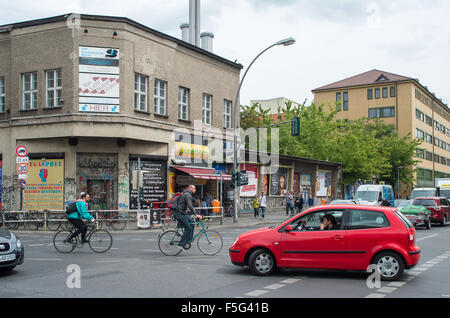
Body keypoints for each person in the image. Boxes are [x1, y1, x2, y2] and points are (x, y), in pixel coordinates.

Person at [173, 185, 203, 250]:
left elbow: (190, 203)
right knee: (188, 228)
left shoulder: (187, 194)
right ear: (190, 188)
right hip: (179, 214)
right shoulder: (187, 194)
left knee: (192, 222)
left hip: (182, 213)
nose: (195, 190)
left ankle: (188, 240)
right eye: (194, 188)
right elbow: (190, 205)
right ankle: (181, 244)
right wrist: (196, 214)